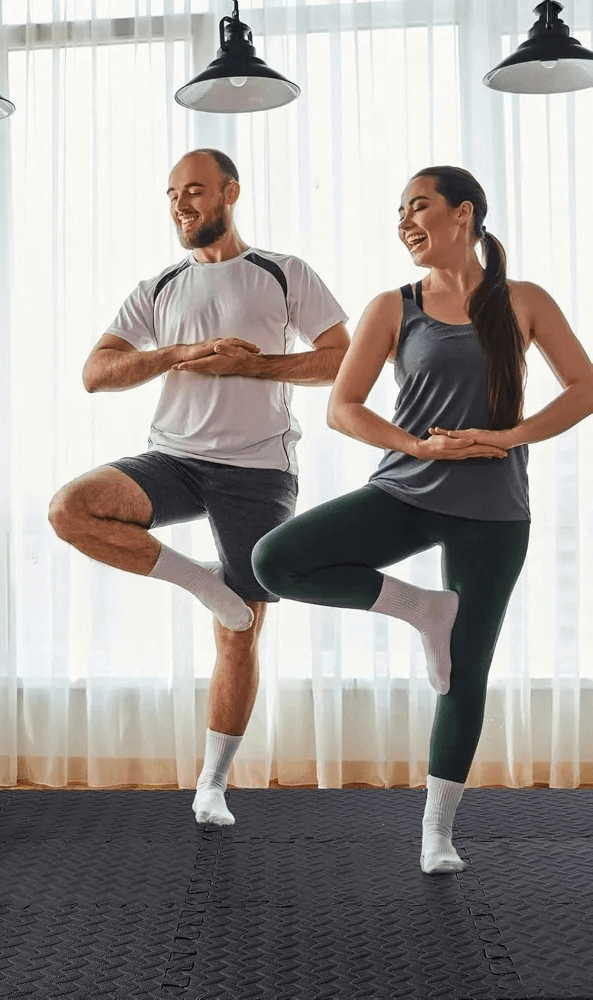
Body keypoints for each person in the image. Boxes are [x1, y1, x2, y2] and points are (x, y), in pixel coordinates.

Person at [252, 165, 593, 873]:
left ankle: (438, 835)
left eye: (419, 206)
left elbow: (584, 386)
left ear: (463, 213)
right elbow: (342, 408)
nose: (405, 222)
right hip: (407, 490)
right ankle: (422, 609)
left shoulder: (523, 300)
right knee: (275, 560)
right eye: (400, 212)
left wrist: (508, 437)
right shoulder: (393, 306)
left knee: (465, 671)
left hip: (495, 510)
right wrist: (418, 446)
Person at [48, 148, 351, 826]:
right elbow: (96, 373)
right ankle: (202, 583)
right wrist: (180, 354)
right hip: (174, 458)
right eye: (172, 194)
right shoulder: (159, 286)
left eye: (194, 190)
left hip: (259, 469)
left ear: (230, 193)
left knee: (239, 634)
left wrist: (255, 369)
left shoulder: (283, 271)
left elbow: (341, 359)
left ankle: (211, 785)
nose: (180, 204)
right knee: (71, 509)